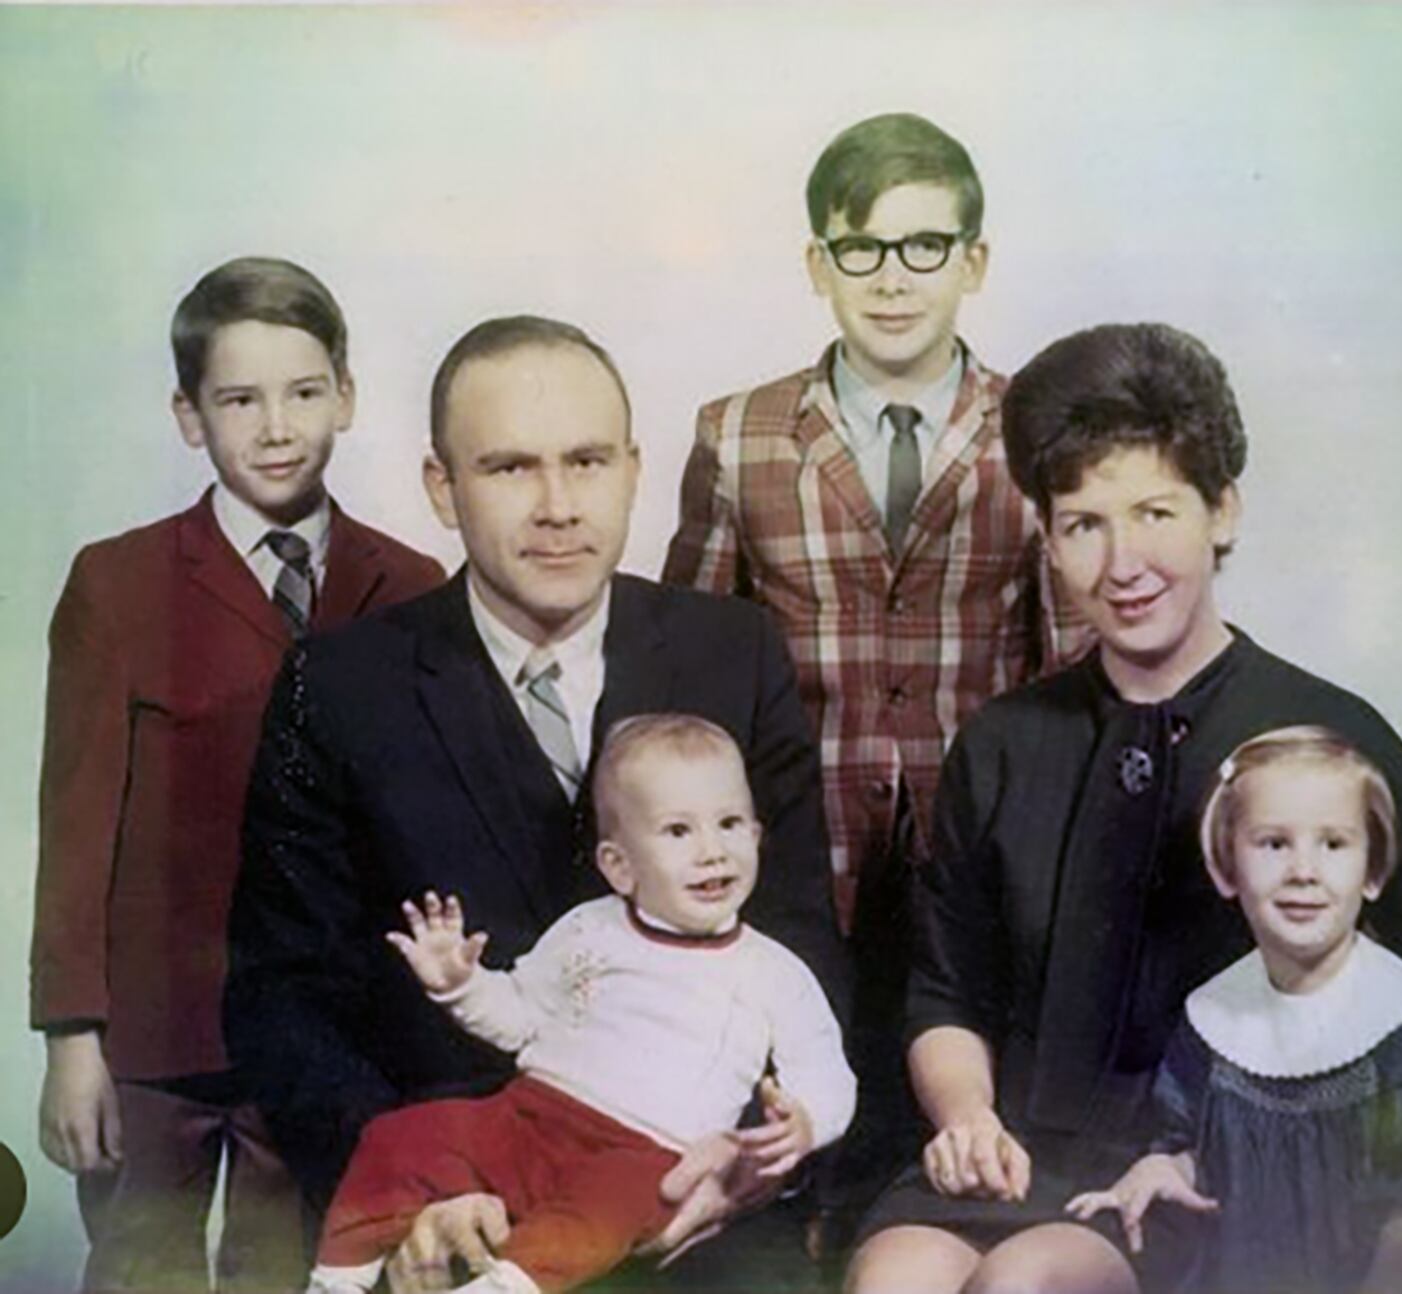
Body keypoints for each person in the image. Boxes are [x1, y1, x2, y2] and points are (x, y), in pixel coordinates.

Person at [845, 322, 1402, 1294]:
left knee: (1025, 1283)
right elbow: (945, 993)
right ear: (1049, 541)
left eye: (1155, 512)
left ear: (1223, 510)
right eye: (1083, 523)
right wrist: (968, 1119)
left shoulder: (1328, 734)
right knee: (892, 1280)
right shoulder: (1003, 742)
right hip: (1008, 1153)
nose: (1121, 560)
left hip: (1204, 1173)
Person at [226, 314, 845, 1293]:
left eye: (588, 461)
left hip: (691, 1181)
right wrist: (414, 1200)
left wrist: (745, 1169)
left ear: (635, 469)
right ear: (443, 486)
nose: (559, 506)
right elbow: (284, 996)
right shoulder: (340, 685)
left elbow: (799, 941)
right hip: (446, 1186)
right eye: (511, 468)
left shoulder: (734, 649)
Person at [663, 111, 1088, 1229]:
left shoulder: (1036, 433)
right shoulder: (739, 433)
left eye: (924, 248)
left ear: (974, 262)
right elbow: (689, 678)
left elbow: (1071, 666)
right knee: (797, 1138)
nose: (890, 280)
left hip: (976, 859)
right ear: (819, 264)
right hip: (801, 859)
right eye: (859, 249)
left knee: (954, 1141)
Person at [30, 256, 445, 1293]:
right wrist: (71, 1038)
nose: (275, 426)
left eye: (304, 392)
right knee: (143, 1270)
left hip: (325, 1035)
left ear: (345, 394)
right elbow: (76, 829)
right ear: (188, 415)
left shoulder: (410, 585)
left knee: (296, 1271)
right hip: (157, 1035)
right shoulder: (117, 582)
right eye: (239, 399)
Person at [305, 714, 856, 1294]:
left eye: (730, 824)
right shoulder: (587, 930)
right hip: (527, 1115)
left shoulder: (773, 971)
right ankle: (335, 1281)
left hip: (643, 1156)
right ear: (617, 866)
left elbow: (827, 1073)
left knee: (596, 1213)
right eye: (677, 831)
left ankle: (502, 1287)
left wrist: (805, 1122)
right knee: (402, 1136)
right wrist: (459, 985)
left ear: (756, 835)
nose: (712, 851)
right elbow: (519, 1017)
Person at [1064, 726, 1402, 1294]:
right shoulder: (1210, 1019)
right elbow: (1205, 1150)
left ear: (1372, 872)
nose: (1303, 871)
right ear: (1227, 869)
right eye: (1274, 844)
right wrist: (1165, 1169)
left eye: (1334, 844)